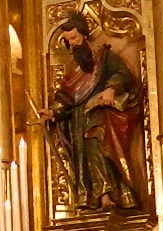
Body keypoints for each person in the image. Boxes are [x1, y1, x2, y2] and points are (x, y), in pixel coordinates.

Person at [46, 12, 149, 211]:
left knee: (99, 149)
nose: (72, 44)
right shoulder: (74, 70)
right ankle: (93, 197)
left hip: (100, 116)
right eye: (68, 41)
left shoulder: (104, 57)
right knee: (83, 158)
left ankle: (110, 195)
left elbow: (122, 74)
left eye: (74, 38)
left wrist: (111, 88)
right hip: (79, 121)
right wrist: (53, 112)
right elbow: (66, 98)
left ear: (84, 35)